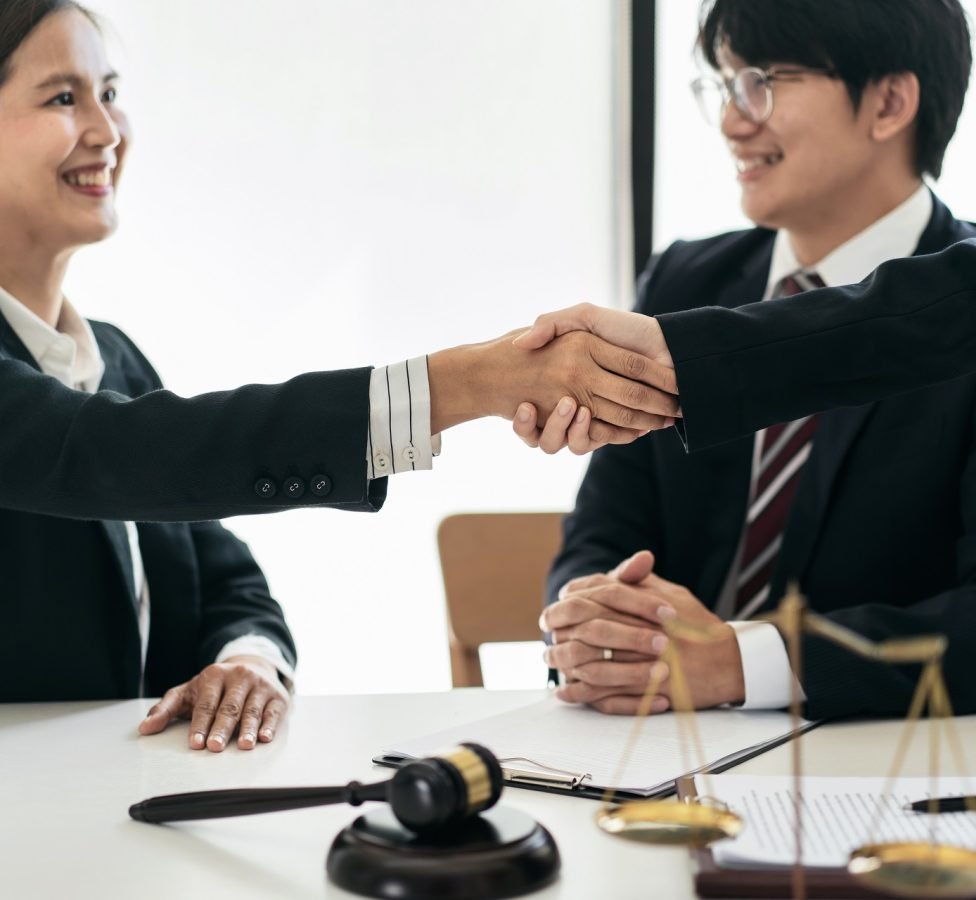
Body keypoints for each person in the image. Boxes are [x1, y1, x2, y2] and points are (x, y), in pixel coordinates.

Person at [0, 1, 679, 749]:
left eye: (111, 92)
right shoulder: (92, 412)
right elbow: (133, 452)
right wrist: (471, 383)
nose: (107, 129)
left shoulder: (114, 357)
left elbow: (230, 582)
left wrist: (247, 662)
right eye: (64, 98)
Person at [529, 0, 976, 721]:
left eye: (764, 82)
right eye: (723, 85)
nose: (731, 121)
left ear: (890, 102)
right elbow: (605, 524)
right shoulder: (684, 283)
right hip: (653, 748)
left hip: (873, 765)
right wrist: (602, 617)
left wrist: (742, 662)